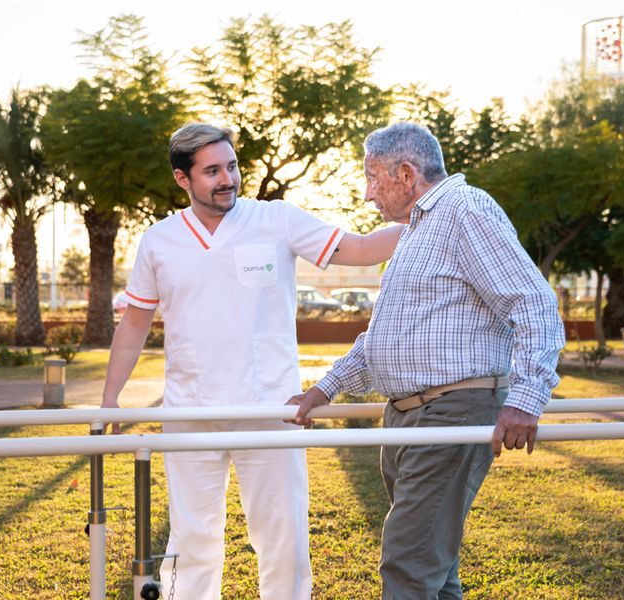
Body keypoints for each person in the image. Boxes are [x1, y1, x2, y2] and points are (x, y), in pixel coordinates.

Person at [100, 122, 402, 600]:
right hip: (190, 411)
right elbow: (134, 323)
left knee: (283, 539)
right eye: (212, 171)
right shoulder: (158, 241)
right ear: (183, 179)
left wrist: (430, 217)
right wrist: (110, 398)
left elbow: (359, 249)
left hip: (272, 408)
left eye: (233, 166)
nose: (228, 179)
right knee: (193, 539)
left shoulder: (276, 220)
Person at [289, 122, 565, 599]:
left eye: (373, 177)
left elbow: (534, 303)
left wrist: (526, 398)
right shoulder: (414, 232)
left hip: (451, 409)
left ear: (405, 173)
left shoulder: (465, 210)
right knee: (435, 573)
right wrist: (324, 388)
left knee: (409, 565)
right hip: (405, 417)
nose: (367, 193)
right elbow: (384, 337)